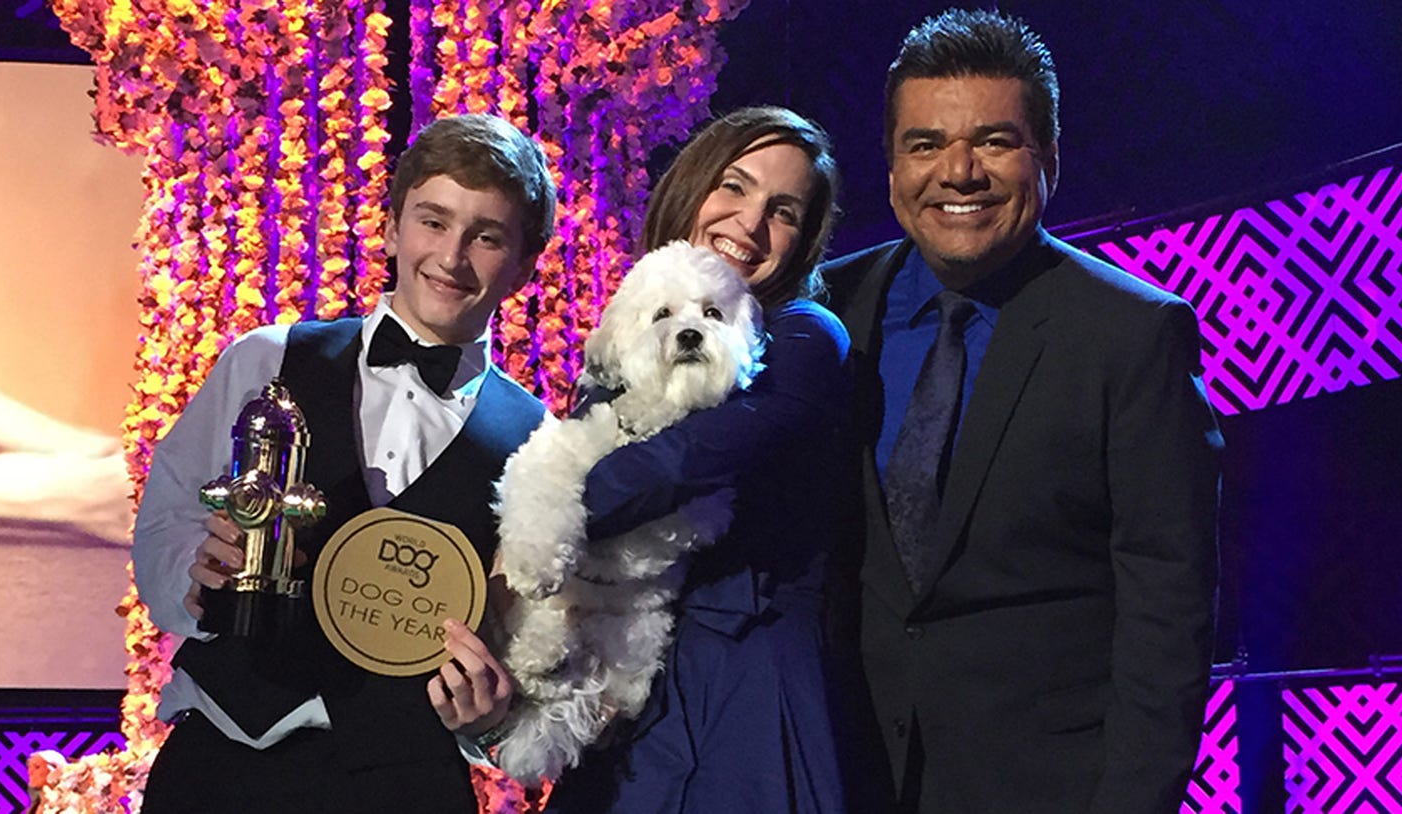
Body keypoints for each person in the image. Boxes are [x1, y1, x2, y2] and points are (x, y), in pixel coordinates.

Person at [820, 9, 1224, 814]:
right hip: (841, 777)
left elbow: (1167, 612)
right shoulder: (825, 310)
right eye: (925, 144)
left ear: (1049, 159)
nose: (958, 172)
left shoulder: (1132, 333)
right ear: (893, 167)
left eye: (995, 142)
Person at [131, 113, 556, 813]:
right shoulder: (267, 358)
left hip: (405, 780)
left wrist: (491, 717)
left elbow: (524, 636)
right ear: (391, 228)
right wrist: (197, 574)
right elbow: (167, 520)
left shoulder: (539, 440)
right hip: (225, 760)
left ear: (525, 263)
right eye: (433, 222)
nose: (451, 257)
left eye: (486, 236)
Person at [543, 106, 854, 812]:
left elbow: (682, 460)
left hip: (748, 679)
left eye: (784, 210)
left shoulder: (804, 338)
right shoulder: (625, 343)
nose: (749, 222)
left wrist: (538, 516)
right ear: (692, 188)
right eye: (734, 187)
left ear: (803, 241)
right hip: (626, 674)